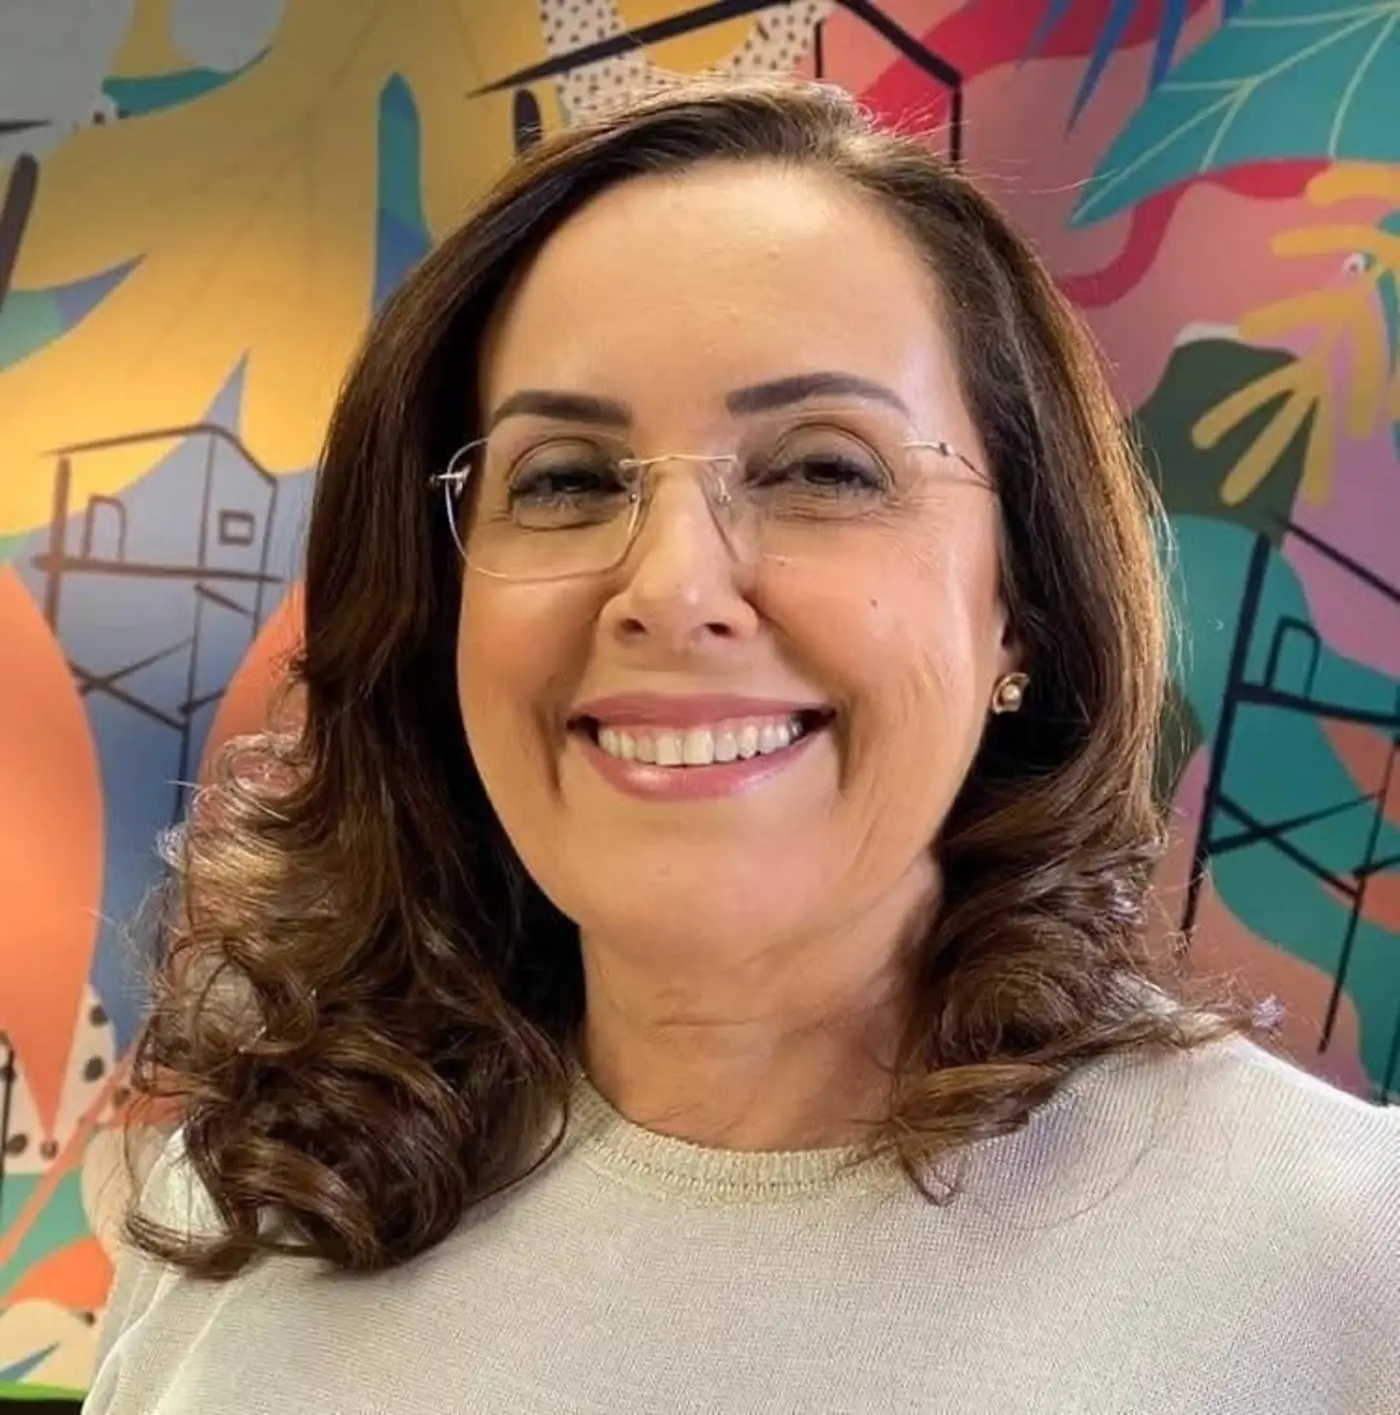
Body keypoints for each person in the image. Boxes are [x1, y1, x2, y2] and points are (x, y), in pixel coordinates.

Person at [84, 76, 1397, 1415]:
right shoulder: (244, 1216)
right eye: (566, 479)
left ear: (1023, 605)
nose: (670, 586)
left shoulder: (1346, 1272)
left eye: (823, 470)